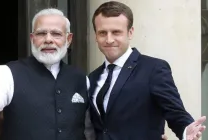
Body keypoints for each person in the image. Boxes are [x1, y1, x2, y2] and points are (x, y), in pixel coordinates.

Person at [0, 8, 95, 140]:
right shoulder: (8, 73)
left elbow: (89, 130)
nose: (48, 39)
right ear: (32, 38)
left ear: (68, 39)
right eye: (41, 33)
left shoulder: (81, 78)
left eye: (56, 34)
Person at [88, 1, 206, 140]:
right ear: (95, 35)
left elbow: (174, 111)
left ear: (130, 32)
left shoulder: (154, 69)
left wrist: (186, 130)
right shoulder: (93, 77)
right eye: (102, 33)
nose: (109, 39)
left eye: (116, 32)